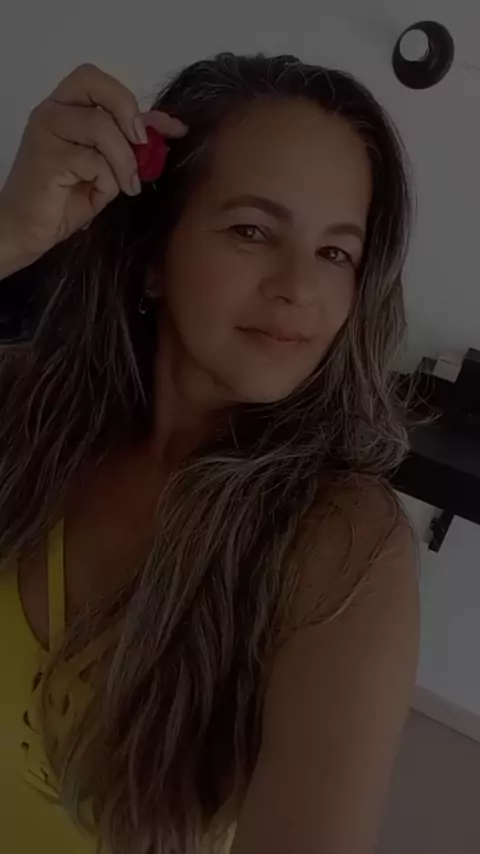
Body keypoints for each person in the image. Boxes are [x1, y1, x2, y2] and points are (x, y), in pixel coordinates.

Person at [0, 53, 419, 854]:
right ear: (152, 255)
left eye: (337, 252)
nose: (299, 286)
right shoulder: (27, 407)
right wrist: (10, 234)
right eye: (252, 230)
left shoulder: (343, 543)